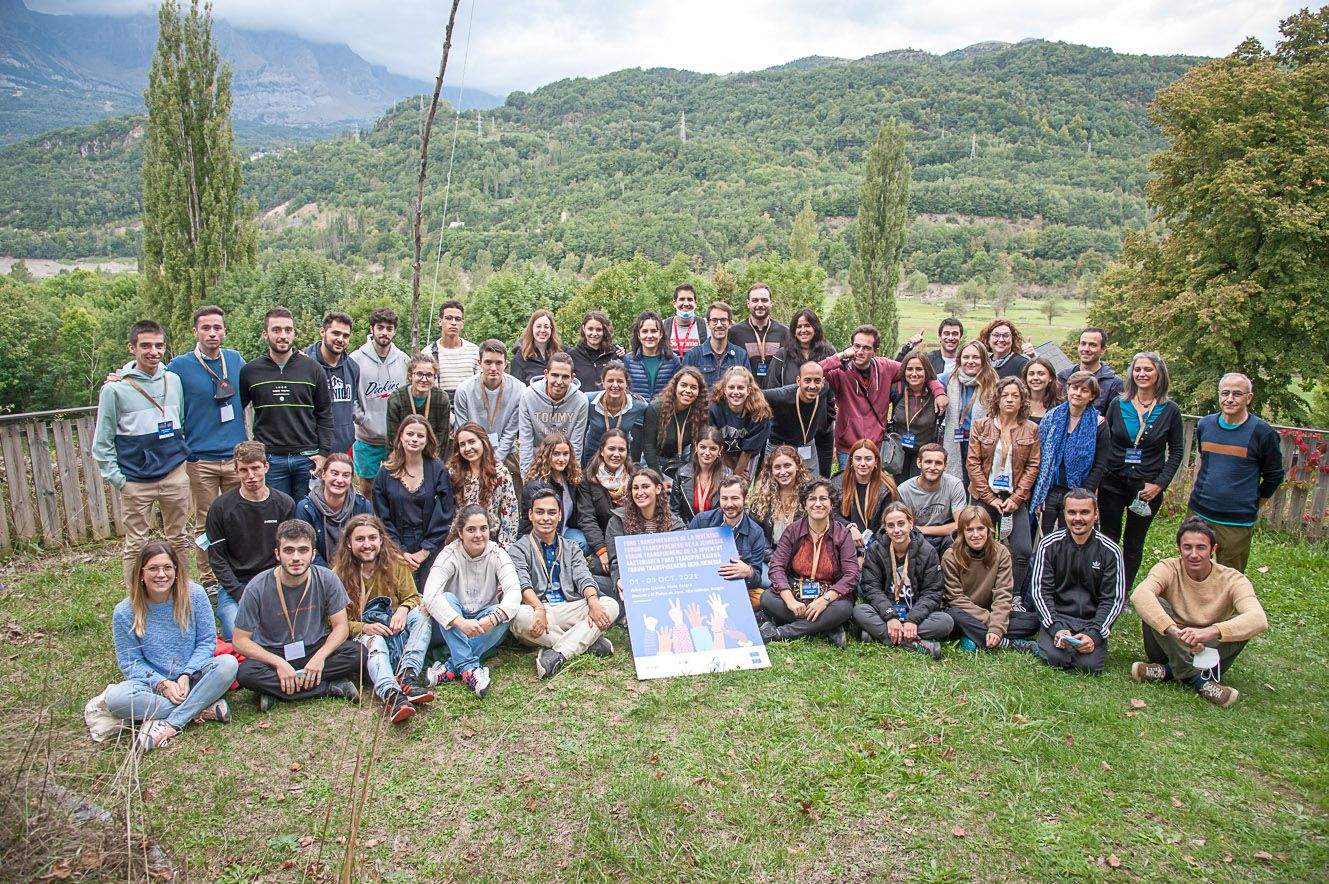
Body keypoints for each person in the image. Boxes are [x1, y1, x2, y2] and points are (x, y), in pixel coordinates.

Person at [107, 541, 236, 751]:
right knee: (115, 699)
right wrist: (163, 684)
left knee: (228, 664)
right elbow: (131, 663)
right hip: (153, 686)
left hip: (194, 677)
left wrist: (186, 674)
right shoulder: (124, 612)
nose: (161, 574)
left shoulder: (194, 595)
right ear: (141, 573)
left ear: (176, 570)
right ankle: (201, 707)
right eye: (153, 569)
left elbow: (206, 642)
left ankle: (171, 723)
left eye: (167, 568)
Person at [93, 319, 193, 589]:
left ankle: (182, 593)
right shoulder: (115, 389)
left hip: (174, 473)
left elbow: (178, 422)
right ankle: (136, 599)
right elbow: (102, 443)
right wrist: (119, 480)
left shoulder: (173, 381)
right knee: (136, 543)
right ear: (132, 348)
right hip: (136, 479)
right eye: (146, 346)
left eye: (159, 346)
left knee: (179, 538)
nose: (153, 352)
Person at [1129, 517, 1269, 708]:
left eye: (1201, 547)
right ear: (1179, 548)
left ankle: (1169, 671)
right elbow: (1140, 594)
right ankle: (1199, 681)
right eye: (1187, 547)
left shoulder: (1233, 579)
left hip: (1209, 652)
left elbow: (1259, 619)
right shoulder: (1168, 567)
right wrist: (1174, 631)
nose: (1193, 554)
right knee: (1155, 604)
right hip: (1168, 644)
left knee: (1243, 621)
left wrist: (1208, 633)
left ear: (1213, 549)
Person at [232, 519, 366, 711]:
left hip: (314, 646)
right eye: (289, 550)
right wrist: (278, 663)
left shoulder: (327, 578)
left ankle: (277, 691)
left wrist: (320, 657)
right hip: (274, 652)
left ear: (313, 554)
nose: (296, 557)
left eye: (303, 550)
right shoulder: (257, 587)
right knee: (246, 673)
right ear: (277, 554)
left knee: (357, 653)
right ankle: (328, 687)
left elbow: (341, 627)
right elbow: (240, 640)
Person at [165, 306, 247, 590]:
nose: (212, 333)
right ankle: (210, 579)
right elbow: (153, 381)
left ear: (224, 330)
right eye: (206, 328)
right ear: (195, 331)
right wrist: (123, 374)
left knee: (241, 517)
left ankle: (240, 571)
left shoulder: (235, 360)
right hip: (202, 460)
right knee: (206, 522)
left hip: (237, 458)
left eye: (217, 328)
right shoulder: (179, 366)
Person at [330, 514, 436, 722]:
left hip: (397, 631)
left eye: (372, 538)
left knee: (422, 614)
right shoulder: (337, 575)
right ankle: (392, 694)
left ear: (381, 540)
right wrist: (365, 628)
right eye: (360, 539)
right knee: (375, 641)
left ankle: (408, 674)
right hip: (366, 637)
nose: (367, 544)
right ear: (349, 544)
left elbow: (412, 597)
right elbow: (334, 623)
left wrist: (403, 610)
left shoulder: (395, 563)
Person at [509, 484, 619, 679]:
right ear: (530, 515)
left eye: (552, 513)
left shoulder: (571, 547)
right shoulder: (519, 548)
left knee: (609, 605)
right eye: (540, 512)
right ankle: (588, 643)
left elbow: (584, 577)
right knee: (517, 617)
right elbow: (523, 584)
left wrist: (593, 602)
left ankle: (558, 654)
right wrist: (539, 609)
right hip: (539, 610)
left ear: (560, 516)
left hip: (569, 607)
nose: (546, 518)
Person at [1098, 351, 1184, 587]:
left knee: (1134, 542)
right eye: (1137, 369)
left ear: (1159, 374)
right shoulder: (1118, 404)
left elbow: (1176, 451)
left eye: (1148, 370)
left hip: (1146, 488)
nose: (1142, 374)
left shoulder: (1169, 410)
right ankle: (1106, 587)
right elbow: (1105, 442)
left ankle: (1124, 590)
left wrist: (1159, 483)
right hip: (1112, 483)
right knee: (1108, 537)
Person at [1187, 373, 1285, 572]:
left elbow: (1274, 474)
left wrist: (1256, 501)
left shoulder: (1262, 433)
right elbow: (1207, 462)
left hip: (1235, 521)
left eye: (1237, 394)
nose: (1230, 399)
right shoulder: (1206, 425)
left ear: (1248, 398)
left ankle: (1223, 605)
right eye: (1225, 393)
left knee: (1228, 575)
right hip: (1199, 511)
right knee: (1191, 565)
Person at [422, 505, 521, 698]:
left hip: (484, 624)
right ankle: (469, 668)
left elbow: (514, 591)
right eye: (471, 529)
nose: (478, 535)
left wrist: (494, 618)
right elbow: (430, 594)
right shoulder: (450, 554)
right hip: (452, 625)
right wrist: (460, 622)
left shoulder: (497, 553)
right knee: (447, 599)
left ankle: (451, 666)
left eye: (483, 529)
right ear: (460, 532)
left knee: (506, 614)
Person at [239, 308, 334, 502]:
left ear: (294, 333)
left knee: (306, 515)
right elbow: (238, 411)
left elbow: (324, 413)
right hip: (271, 459)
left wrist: (323, 453)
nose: (283, 336)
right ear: (265, 334)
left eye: (288, 330)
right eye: (276, 330)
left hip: (306, 457)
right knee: (276, 515)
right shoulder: (250, 371)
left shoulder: (312, 368)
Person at [821, 324, 946, 470]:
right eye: (856, 346)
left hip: (877, 446)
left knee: (876, 491)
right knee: (848, 491)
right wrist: (841, 356)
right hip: (849, 447)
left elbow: (920, 371)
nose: (860, 352)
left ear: (875, 351)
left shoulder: (885, 367)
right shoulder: (840, 372)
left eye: (866, 348)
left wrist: (939, 392)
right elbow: (813, 371)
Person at [1027, 490, 1125, 674]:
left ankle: (1084, 642)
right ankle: (1042, 642)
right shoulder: (1048, 545)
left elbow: (1113, 599)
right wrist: (1055, 628)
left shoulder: (1111, 551)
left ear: (1095, 515)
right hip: (1059, 617)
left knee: (1088, 667)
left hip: (1091, 620)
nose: (1077, 518)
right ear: (1064, 514)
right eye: (1072, 512)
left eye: (1084, 512)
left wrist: (1094, 635)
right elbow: (1040, 592)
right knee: (1056, 659)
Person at [206, 442, 295, 640]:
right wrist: (239, 593)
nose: (251, 476)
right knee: (237, 634)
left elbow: (290, 552)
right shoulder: (221, 508)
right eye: (244, 470)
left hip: (275, 580)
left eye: (255, 468)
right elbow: (217, 559)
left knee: (290, 631)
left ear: (266, 467)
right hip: (236, 585)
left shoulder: (284, 504)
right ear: (236, 471)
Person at [966, 376, 1041, 598]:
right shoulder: (981, 425)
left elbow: (1033, 465)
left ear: (1022, 401)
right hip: (984, 495)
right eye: (1005, 395)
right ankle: (977, 592)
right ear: (997, 399)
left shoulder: (1031, 429)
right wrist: (990, 498)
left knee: (1022, 550)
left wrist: (1017, 498)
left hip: (1014, 497)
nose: (1009, 400)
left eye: (1015, 396)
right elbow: (973, 462)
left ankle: (1013, 595)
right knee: (977, 544)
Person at [761, 478, 858, 646]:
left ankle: (780, 632)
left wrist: (824, 600)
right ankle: (827, 626)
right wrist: (790, 600)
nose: (817, 504)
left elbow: (852, 574)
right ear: (804, 504)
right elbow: (776, 567)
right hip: (796, 591)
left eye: (823, 498)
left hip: (828, 596)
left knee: (844, 609)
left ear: (831, 504)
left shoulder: (842, 534)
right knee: (767, 599)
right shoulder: (793, 530)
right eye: (812, 499)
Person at [855, 502, 952, 658]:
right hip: (886, 609)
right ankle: (914, 643)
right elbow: (871, 587)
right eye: (891, 525)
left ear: (911, 524)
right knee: (859, 611)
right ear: (885, 528)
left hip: (914, 609)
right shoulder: (876, 550)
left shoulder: (927, 551)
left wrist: (912, 620)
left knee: (946, 621)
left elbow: (933, 592)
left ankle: (878, 635)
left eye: (901, 524)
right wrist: (890, 617)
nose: (897, 530)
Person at [372, 415, 456, 590]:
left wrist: (424, 551)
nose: (414, 439)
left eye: (420, 436)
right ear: (401, 436)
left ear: (427, 440)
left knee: (431, 597)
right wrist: (401, 551)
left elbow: (445, 513)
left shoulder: (437, 469)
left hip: (431, 547)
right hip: (394, 548)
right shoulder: (385, 472)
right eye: (410, 434)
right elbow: (381, 516)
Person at [941, 506, 1040, 652]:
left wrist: (996, 625)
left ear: (989, 530)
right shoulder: (951, 556)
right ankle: (1007, 643)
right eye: (969, 530)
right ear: (962, 532)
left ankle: (973, 636)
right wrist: (992, 622)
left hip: (989, 609)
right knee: (952, 616)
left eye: (980, 528)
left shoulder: (1001, 553)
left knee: (1033, 622)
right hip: (964, 612)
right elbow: (955, 598)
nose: (976, 534)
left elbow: (1003, 593)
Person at [1031, 371, 1108, 534]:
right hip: (1049, 490)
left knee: (1072, 538)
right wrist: (1040, 491)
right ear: (1068, 389)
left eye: (1084, 390)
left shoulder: (1099, 424)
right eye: (1075, 388)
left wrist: (1083, 495)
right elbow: (1039, 455)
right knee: (1045, 538)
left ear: (1092, 396)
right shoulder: (1051, 417)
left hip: (1079, 491)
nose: (1078, 393)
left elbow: (1100, 465)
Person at [350, 308, 409, 496]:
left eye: (389, 328)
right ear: (372, 328)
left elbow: (409, 395)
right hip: (367, 438)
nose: (384, 332)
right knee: (367, 489)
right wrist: (362, 419)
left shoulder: (403, 360)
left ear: (395, 331)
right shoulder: (355, 359)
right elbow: (350, 397)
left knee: (396, 489)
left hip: (396, 440)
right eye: (380, 327)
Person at [688, 476, 770, 611]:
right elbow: (686, 556)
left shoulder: (756, 532)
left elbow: (756, 579)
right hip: (702, 584)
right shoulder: (701, 521)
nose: (729, 504)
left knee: (761, 597)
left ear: (745, 498)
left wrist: (748, 571)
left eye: (735, 498)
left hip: (735, 587)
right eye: (724, 498)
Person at [605, 469, 686, 592]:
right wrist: (619, 579)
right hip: (633, 583)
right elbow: (616, 560)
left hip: (668, 584)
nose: (640, 492)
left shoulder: (675, 524)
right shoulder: (617, 521)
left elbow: (682, 562)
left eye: (645, 487)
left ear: (658, 489)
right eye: (635, 488)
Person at [452, 340, 525, 469]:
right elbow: (462, 430)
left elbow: (511, 432)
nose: (493, 368)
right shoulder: (464, 390)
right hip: (471, 452)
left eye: (498, 363)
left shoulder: (519, 389)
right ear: (479, 363)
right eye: (488, 362)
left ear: (505, 364)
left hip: (505, 452)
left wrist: (495, 461)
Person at [294, 452, 373, 566]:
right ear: (323, 474)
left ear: (351, 479)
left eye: (346, 475)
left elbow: (368, 543)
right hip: (319, 572)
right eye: (334, 473)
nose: (340, 480)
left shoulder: (362, 505)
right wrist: (330, 576)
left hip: (355, 568)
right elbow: (305, 549)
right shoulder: (306, 508)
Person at [448, 421, 519, 547]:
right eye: (462, 445)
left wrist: (503, 548)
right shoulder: (453, 473)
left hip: (492, 541)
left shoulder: (500, 473)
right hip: (459, 541)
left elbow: (510, 513)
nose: (467, 448)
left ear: (483, 442)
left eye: (472, 442)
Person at [517, 352, 589, 475]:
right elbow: (525, 440)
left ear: (572, 377)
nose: (559, 382)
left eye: (565, 377)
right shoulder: (529, 396)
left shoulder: (580, 400)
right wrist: (526, 475)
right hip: (537, 458)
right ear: (546, 374)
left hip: (564, 460)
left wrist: (573, 475)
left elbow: (576, 444)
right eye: (555, 375)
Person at [576, 429, 633, 581]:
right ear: (602, 451)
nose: (616, 454)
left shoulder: (635, 476)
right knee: (604, 571)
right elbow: (587, 518)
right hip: (603, 536)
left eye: (621, 449)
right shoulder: (587, 478)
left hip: (631, 537)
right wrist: (601, 550)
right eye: (611, 449)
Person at [941, 340, 997, 488]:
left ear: (984, 360)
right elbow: (930, 380)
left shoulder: (994, 384)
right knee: (958, 482)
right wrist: (939, 393)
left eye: (976, 357)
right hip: (956, 441)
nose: (970, 361)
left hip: (982, 444)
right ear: (960, 360)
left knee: (978, 484)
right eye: (966, 357)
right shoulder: (950, 378)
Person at [762, 360, 832, 478]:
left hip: (807, 445)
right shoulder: (782, 395)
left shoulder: (824, 390)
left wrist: (844, 354)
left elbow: (833, 363)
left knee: (812, 486)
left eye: (817, 381)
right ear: (798, 381)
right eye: (807, 380)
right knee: (771, 485)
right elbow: (755, 395)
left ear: (823, 382)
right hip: (779, 445)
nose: (812, 386)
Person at [304, 311, 360, 457]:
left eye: (346, 336)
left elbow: (351, 406)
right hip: (311, 449)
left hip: (344, 448)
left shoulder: (353, 367)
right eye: (336, 333)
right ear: (323, 331)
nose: (341, 339)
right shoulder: (304, 364)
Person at [521, 432, 590, 550]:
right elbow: (541, 523)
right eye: (556, 454)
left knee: (582, 542)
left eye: (565, 454)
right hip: (540, 535)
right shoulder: (536, 485)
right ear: (546, 455)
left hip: (564, 530)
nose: (562, 459)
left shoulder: (570, 478)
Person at [640, 366, 708, 483]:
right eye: (684, 385)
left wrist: (690, 472)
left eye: (693, 387)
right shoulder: (656, 408)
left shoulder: (699, 410)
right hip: (653, 460)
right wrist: (659, 479)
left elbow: (695, 446)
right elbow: (648, 446)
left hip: (681, 459)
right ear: (675, 386)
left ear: (699, 391)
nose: (688, 390)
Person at [897, 444, 966, 555]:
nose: (933, 467)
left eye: (938, 463)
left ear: (945, 466)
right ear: (919, 463)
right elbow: (905, 526)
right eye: (928, 462)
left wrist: (922, 529)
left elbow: (961, 524)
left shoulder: (954, 485)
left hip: (945, 537)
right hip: (916, 538)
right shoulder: (904, 490)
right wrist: (918, 531)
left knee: (958, 540)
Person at [386, 355, 453, 465]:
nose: (424, 379)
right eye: (419, 374)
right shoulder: (396, 399)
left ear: (435, 378)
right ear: (410, 376)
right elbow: (393, 438)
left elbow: (442, 437)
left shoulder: (441, 399)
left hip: (432, 455)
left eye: (429, 375)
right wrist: (401, 463)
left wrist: (434, 465)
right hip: (403, 456)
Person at [886, 352, 943, 481]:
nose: (914, 373)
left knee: (919, 487)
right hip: (900, 451)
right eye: (910, 369)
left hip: (925, 452)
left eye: (919, 369)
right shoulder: (897, 390)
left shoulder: (935, 395)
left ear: (926, 371)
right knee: (900, 488)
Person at [835, 439, 899, 553]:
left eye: (868, 459)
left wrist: (868, 552)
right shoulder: (837, 483)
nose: (863, 463)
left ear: (876, 462)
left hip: (875, 546)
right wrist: (849, 527)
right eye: (858, 459)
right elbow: (832, 514)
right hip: (843, 541)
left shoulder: (886, 489)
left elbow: (887, 525)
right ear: (851, 461)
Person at [708, 366, 772, 479]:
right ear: (724, 389)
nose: (735, 392)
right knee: (721, 485)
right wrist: (732, 468)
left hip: (748, 455)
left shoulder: (760, 413)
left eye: (740, 388)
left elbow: (749, 450)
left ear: (748, 391)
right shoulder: (714, 408)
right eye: (731, 387)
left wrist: (737, 474)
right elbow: (715, 443)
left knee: (741, 486)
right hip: (721, 453)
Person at [584, 360, 647, 466]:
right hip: (593, 453)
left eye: (620, 381)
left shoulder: (638, 405)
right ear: (603, 382)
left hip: (621, 455)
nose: (615, 385)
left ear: (626, 383)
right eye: (610, 380)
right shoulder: (588, 400)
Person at [748, 446, 810, 549]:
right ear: (771, 470)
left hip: (801, 555)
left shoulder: (809, 495)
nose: (782, 472)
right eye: (777, 467)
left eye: (787, 465)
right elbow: (755, 535)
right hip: (770, 556)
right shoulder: (761, 498)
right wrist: (773, 559)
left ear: (798, 466)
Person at [669, 426, 732, 524]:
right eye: (703, 447)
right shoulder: (682, 474)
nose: (707, 453)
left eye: (713, 449)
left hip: (716, 533)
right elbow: (674, 511)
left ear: (720, 450)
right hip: (688, 531)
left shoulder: (728, 476)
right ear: (696, 446)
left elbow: (730, 511)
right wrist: (687, 532)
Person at [728, 282, 787, 385]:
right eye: (755, 300)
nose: (760, 305)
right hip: (745, 394)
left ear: (771, 303)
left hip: (776, 395)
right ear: (748, 303)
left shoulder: (784, 332)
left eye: (764, 300)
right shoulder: (734, 333)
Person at [683, 301, 751, 388]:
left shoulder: (741, 355)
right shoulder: (693, 355)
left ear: (730, 323)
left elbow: (747, 387)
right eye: (714, 320)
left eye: (723, 320)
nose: (719, 325)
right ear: (708, 324)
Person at [768, 308, 838, 389]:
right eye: (799, 326)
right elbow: (772, 388)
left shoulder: (828, 352)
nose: (803, 330)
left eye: (807, 326)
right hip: (789, 401)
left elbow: (837, 385)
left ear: (815, 329)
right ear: (794, 331)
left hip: (822, 401)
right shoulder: (782, 355)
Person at [1057, 327, 1123, 409]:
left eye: (1093, 345)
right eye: (1083, 344)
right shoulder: (1064, 376)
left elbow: (1113, 418)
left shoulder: (1113, 384)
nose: (1086, 349)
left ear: (1103, 350)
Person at [424, 299, 479, 395]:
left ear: (462, 324)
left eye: (458, 319)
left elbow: (480, 386)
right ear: (440, 321)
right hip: (439, 407)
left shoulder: (474, 351)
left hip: (468, 407)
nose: (453, 323)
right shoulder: (427, 353)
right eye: (448, 318)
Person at [624, 310, 681, 401]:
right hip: (637, 413)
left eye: (654, 331)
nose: (649, 335)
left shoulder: (673, 360)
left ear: (661, 334)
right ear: (638, 335)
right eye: (645, 331)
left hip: (663, 412)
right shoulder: (628, 360)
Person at [568, 310, 624, 394]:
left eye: (598, 330)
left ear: (604, 331)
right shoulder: (572, 356)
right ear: (584, 329)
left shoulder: (615, 354)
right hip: (583, 405)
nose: (594, 333)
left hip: (608, 405)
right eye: (590, 329)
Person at [897, 317, 964, 377]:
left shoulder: (965, 361)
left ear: (960, 337)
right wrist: (909, 345)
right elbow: (897, 369)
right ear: (940, 336)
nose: (950, 338)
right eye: (946, 333)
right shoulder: (927, 359)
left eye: (955, 334)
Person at [510, 309, 561, 385]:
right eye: (538, 326)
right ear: (531, 329)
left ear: (551, 329)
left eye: (546, 327)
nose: (542, 330)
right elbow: (517, 390)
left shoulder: (559, 353)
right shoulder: (520, 358)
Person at [663, 283, 707, 359]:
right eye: (682, 299)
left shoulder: (706, 326)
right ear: (674, 303)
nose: (686, 304)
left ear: (695, 303)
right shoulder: (663, 326)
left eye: (690, 299)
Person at [1022, 356, 1063, 424]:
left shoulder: (1060, 406)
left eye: (1041, 374)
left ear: (1051, 378)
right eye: (1031, 374)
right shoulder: (1019, 403)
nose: (1035, 378)